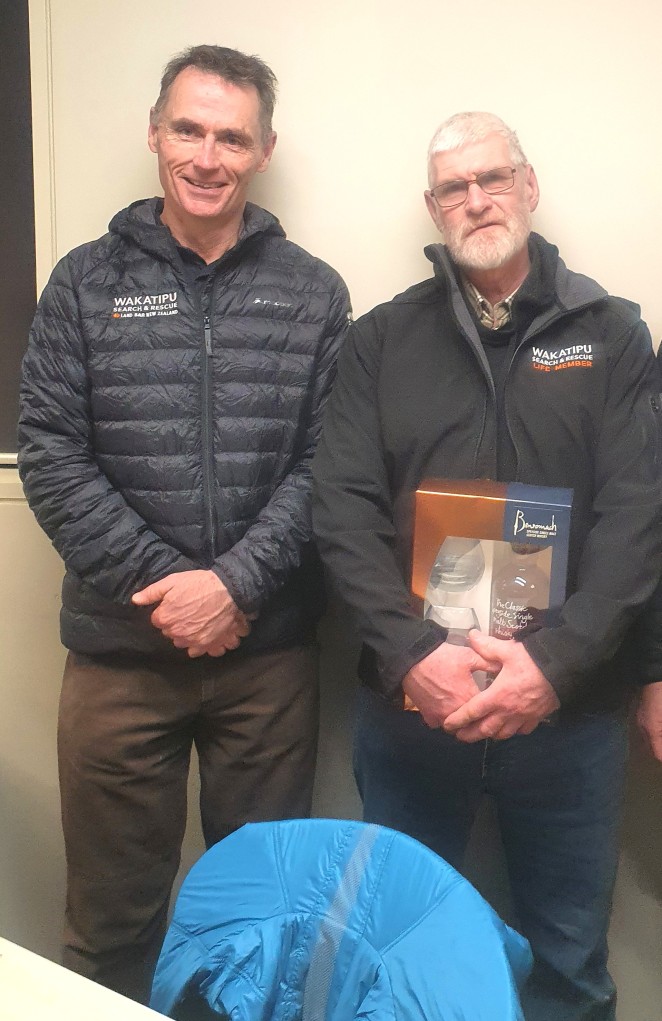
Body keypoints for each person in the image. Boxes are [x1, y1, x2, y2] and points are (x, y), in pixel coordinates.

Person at [18, 44, 350, 1004]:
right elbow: (51, 453)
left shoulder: (315, 292)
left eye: (232, 137)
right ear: (154, 133)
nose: (208, 156)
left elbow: (327, 465)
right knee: (112, 923)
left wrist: (235, 586)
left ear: (263, 149)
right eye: (189, 129)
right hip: (123, 659)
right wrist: (174, 592)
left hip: (268, 664)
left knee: (262, 924)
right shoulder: (83, 283)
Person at [312, 111, 661, 1021]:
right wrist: (408, 654)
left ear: (529, 185)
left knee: (569, 964)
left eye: (493, 178)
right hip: (412, 706)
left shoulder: (613, 334)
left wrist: (556, 666)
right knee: (397, 952)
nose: (476, 200)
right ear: (433, 209)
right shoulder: (379, 340)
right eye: (453, 187)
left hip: (569, 713)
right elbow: (339, 509)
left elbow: (640, 517)